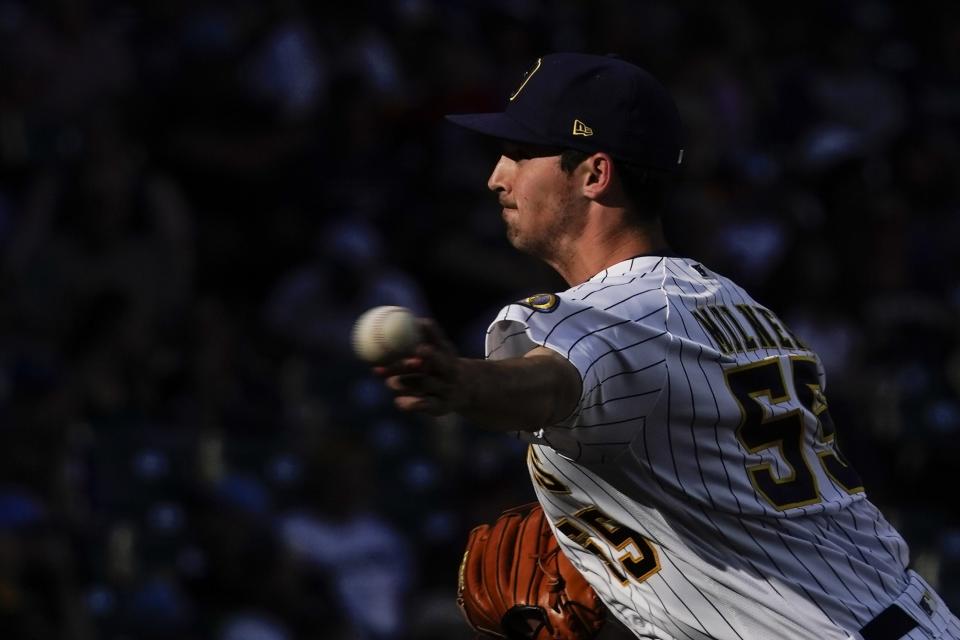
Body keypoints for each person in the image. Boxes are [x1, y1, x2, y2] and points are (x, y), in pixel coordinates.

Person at [375, 53, 960, 640]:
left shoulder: (623, 312)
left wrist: (460, 382)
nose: (497, 175)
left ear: (594, 174)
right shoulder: (731, 303)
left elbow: (549, 383)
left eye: (523, 153)